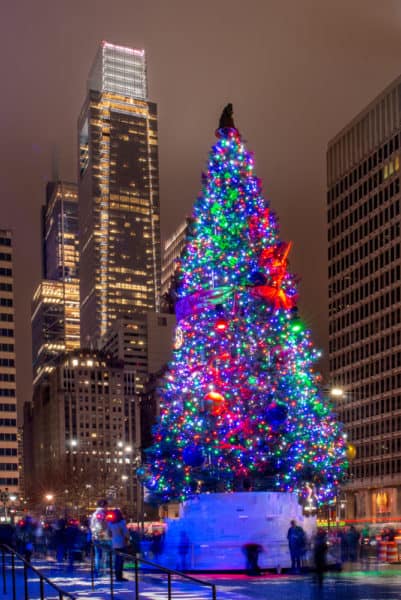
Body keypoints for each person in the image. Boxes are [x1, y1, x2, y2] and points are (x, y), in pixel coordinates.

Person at [107, 508, 129, 582]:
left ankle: (117, 575)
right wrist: (127, 539)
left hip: (114, 542)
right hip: (121, 542)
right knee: (121, 560)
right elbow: (126, 533)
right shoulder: (122, 522)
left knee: (116, 559)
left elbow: (109, 533)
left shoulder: (110, 523)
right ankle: (119, 576)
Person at [90, 499, 109, 575]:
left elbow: (92, 525)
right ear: (104, 505)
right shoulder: (101, 513)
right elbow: (100, 525)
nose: (107, 508)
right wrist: (103, 533)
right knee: (103, 553)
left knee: (97, 553)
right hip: (101, 536)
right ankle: (101, 570)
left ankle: (98, 570)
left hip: (95, 536)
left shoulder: (94, 514)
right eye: (106, 506)